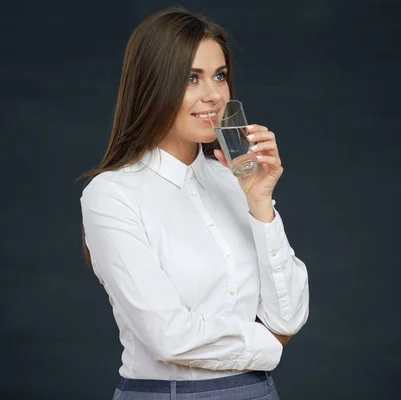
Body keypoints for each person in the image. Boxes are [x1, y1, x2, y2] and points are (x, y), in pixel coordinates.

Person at [78, 7, 309, 400]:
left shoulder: (235, 180)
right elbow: (168, 336)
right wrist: (269, 345)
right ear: (153, 85)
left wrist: (260, 200)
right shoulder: (112, 195)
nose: (215, 95)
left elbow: (288, 317)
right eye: (191, 78)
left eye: (220, 76)